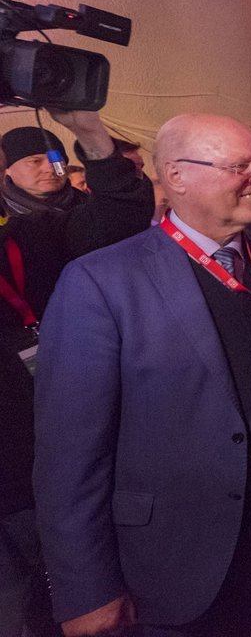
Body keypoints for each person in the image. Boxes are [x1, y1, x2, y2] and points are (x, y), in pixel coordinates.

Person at [33, 113, 251, 637]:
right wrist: (86, 588)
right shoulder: (101, 280)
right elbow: (69, 452)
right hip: (174, 565)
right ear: (176, 176)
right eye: (239, 166)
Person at [0, 110, 154, 637]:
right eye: (32, 161)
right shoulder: (11, 232)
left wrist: (93, 136)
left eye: (54, 158)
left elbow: (118, 214)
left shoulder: (74, 221)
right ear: (7, 173)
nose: (49, 169)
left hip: (99, 402)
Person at [1, 126, 88, 215]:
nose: (50, 169)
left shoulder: (92, 208)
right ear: (6, 169)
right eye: (35, 161)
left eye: (56, 161)